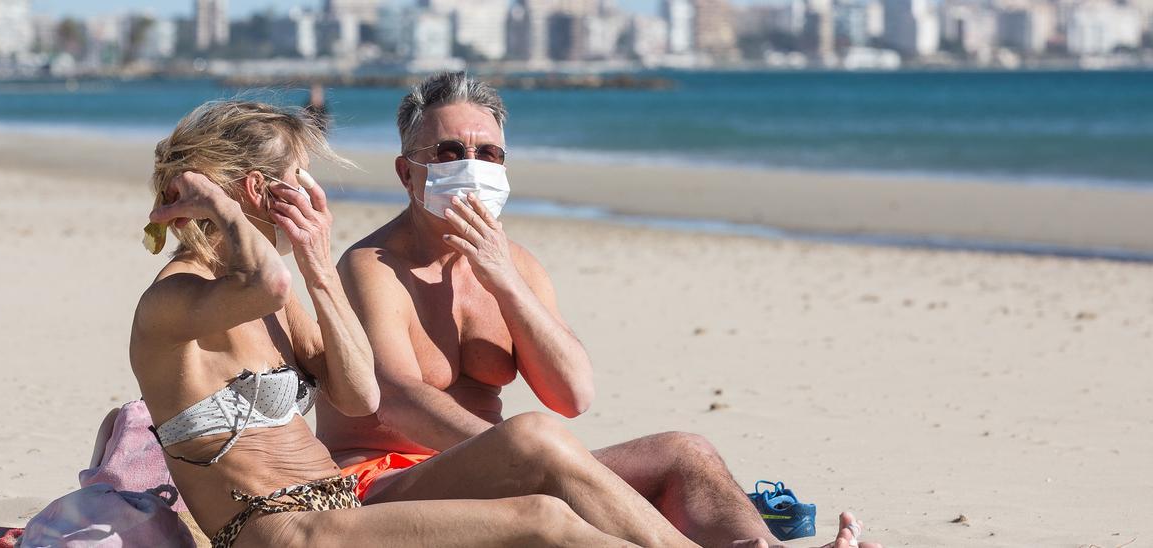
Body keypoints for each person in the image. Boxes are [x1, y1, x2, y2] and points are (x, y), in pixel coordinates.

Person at [324, 72, 882, 548]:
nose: (471, 165)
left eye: (487, 154)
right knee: (534, 438)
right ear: (406, 172)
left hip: (511, 467)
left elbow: (573, 395)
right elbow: (394, 399)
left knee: (687, 454)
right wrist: (521, 453)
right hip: (385, 485)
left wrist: (506, 283)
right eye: (448, 153)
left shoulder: (516, 263)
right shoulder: (371, 265)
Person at [129, 99, 653, 547]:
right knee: (542, 519)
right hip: (283, 532)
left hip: (343, 515)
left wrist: (318, 266)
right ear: (256, 191)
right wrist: (227, 210)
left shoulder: (274, 302)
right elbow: (267, 282)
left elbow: (359, 396)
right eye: (300, 178)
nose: (313, 194)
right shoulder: (174, 299)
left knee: (551, 512)